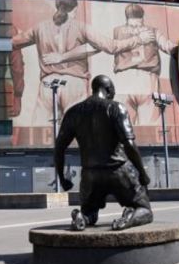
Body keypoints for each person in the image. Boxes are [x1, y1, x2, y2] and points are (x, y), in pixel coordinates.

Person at [12, 0, 154, 124]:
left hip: (47, 85)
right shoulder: (81, 27)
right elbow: (112, 46)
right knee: (78, 132)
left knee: (40, 132)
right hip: (75, 84)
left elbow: (13, 43)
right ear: (74, 10)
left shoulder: (40, 28)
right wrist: (139, 39)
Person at [55, 75, 153, 231]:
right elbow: (129, 143)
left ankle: (83, 217)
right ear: (109, 90)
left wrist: (62, 178)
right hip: (118, 170)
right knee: (144, 209)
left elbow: (59, 147)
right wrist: (142, 173)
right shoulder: (115, 108)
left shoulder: (73, 112)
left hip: (90, 174)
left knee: (90, 212)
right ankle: (129, 217)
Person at [112, 4, 175, 125]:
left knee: (122, 128)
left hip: (122, 81)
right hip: (147, 80)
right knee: (148, 128)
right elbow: (168, 47)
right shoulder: (152, 31)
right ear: (142, 17)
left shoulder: (117, 31)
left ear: (126, 17)